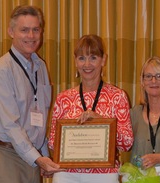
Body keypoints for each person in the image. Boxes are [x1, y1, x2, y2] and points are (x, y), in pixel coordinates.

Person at [0, 5, 61, 183]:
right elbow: (10, 125)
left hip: (32, 158)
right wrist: (38, 158)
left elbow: (39, 118)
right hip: (6, 157)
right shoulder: (1, 71)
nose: (31, 36)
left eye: (35, 30)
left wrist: (44, 156)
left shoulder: (41, 67)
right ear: (11, 31)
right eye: (24, 30)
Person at [48, 34, 134, 183]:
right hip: (66, 174)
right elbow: (52, 142)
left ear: (103, 59)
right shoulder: (63, 98)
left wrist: (102, 121)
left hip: (104, 175)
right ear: (75, 61)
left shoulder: (117, 96)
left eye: (93, 57)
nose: (87, 64)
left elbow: (127, 143)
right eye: (81, 58)